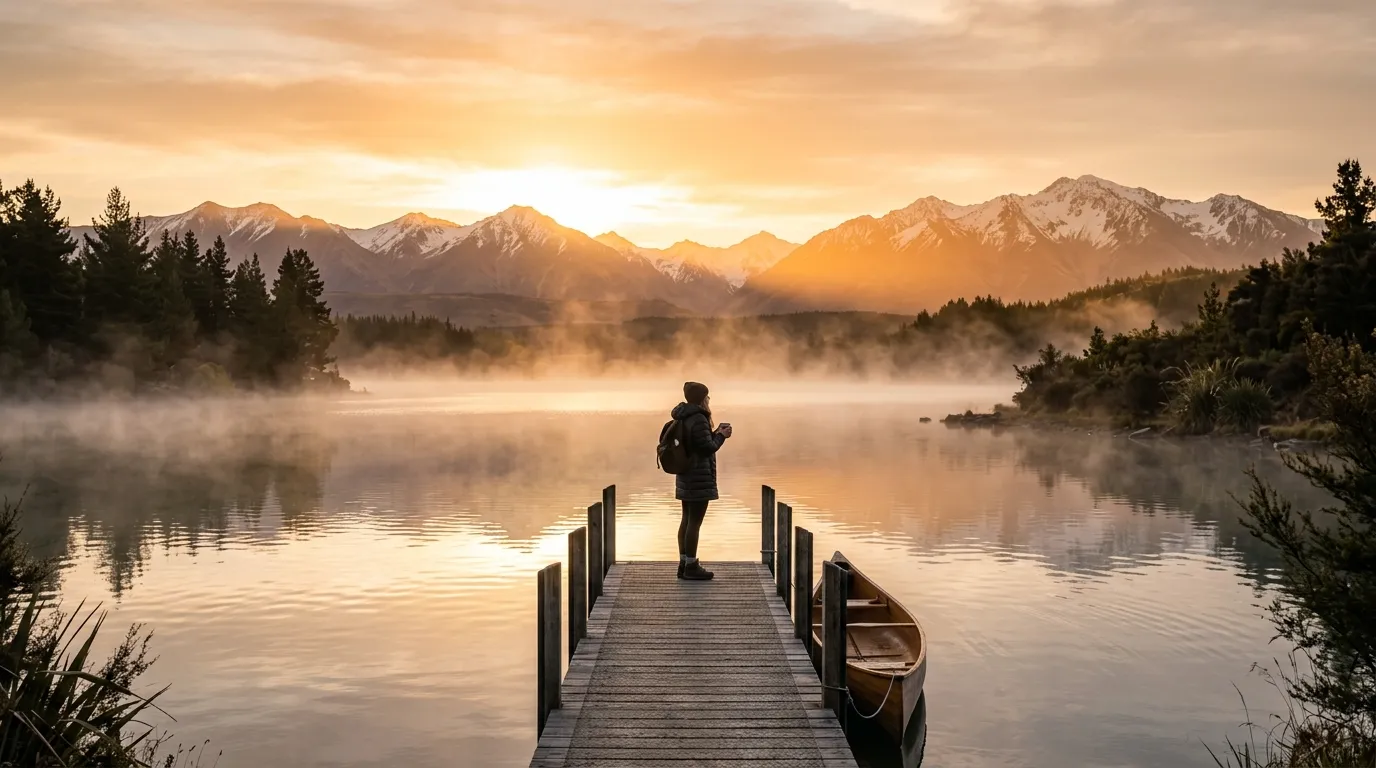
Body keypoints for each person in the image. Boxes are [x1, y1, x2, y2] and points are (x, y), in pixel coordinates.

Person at [671, 381, 731, 580]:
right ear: (702, 399)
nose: (709, 399)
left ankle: (683, 564)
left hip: (686, 476)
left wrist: (715, 433)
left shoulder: (684, 416)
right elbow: (707, 448)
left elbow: (698, 443)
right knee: (694, 523)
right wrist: (722, 436)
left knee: (686, 520)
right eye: (707, 396)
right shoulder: (699, 418)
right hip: (698, 478)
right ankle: (691, 567)